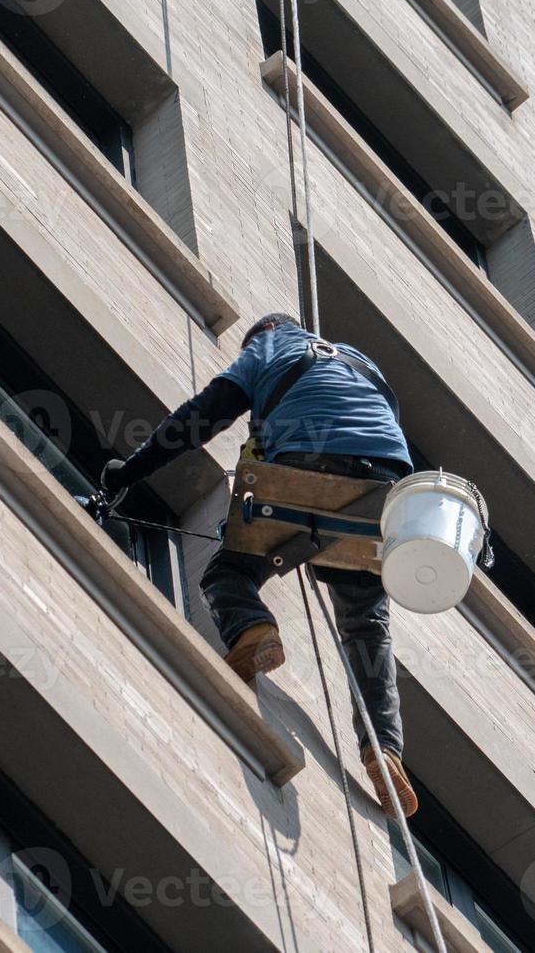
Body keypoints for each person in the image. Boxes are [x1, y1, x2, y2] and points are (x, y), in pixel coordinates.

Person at [98, 313, 418, 817]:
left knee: (227, 573)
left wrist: (129, 473)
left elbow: (201, 417)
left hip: (307, 467)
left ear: (264, 333)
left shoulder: (269, 345)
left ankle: (253, 630)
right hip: (386, 488)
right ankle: (386, 749)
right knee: (366, 621)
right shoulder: (357, 358)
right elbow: (384, 413)